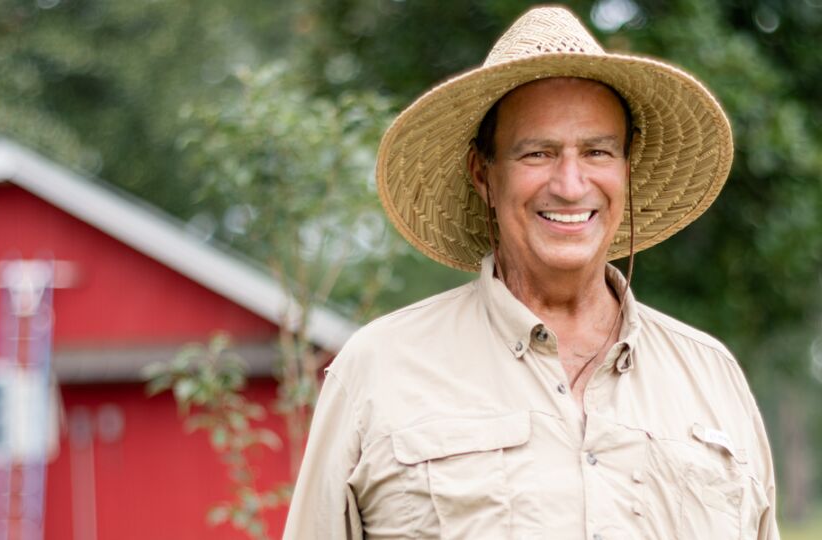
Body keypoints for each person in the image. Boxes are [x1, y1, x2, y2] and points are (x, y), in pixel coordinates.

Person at [284, 6, 778, 539]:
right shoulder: (379, 370)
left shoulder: (711, 378)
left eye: (596, 151)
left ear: (625, 171)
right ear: (484, 175)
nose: (570, 184)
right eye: (538, 153)